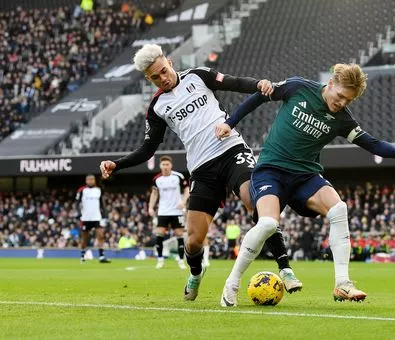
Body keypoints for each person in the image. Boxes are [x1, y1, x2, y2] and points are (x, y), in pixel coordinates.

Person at [216, 63, 395, 307]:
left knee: (339, 209)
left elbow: (372, 144)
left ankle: (343, 284)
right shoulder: (298, 87)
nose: (341, 103)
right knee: (267, 223)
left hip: (305, 176)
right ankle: (231, 284)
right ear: (330, 83)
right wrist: (230, 123)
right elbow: (259, 97)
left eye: (348, 101)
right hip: (271, 171)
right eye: (340, 96)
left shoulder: (342, 120)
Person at [99, 44, 302, 301]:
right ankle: (195, 273)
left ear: (169, 62)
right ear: (148, 80)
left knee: (255, 201)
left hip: (231, 150)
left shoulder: (197, 75)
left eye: (163, 71)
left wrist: (259, 84)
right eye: (155, 78)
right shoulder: (157, 107)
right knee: (193, 242)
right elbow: (147, 149)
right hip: (202, 169)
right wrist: (117, 164)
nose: (163, 78)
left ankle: (285, 268)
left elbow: (234, 82)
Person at [148, 155, 189, 270]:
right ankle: (160, 260)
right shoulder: (157, 179)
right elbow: (154, 194)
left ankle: (181, 261)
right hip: (163, 211)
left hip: (177, 211)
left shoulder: (178, 177)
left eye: (167, 164)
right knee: (159, 234)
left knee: (179, 235)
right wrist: (150, 207)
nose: (165, 167)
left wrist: (184, 202)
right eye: (163, 164)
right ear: (160, 166)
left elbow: (187, 190)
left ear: (171, 165)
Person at [76, 174, 111, 263]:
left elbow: (102, 204)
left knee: (101, 236)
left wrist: (106, 214)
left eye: (92, 179)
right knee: (85, 238)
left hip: (97, 217)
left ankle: (101, 257)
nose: (90, 181)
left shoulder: (98, 190)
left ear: (94, 181)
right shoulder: (82, 190)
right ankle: (82, 256)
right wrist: (79, 213)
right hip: (86, 218)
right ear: (86, 181)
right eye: (89, 180)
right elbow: (77, 203)